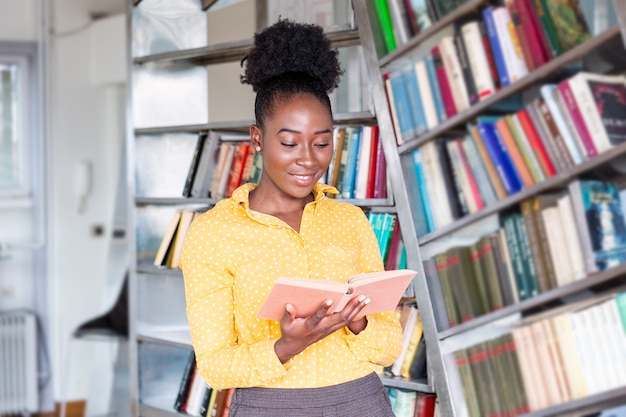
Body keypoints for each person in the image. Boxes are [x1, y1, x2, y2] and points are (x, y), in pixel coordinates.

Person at [180, 18, 403, 417]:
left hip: (362, 402)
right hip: (270, 406)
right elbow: (214, 366)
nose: (308, 159)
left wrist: (355, 323)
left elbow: (387, 347)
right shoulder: (213, 232)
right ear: (257, 138)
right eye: (288, 142)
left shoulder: (350, 220)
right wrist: (288, 345)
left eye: (321, 143)